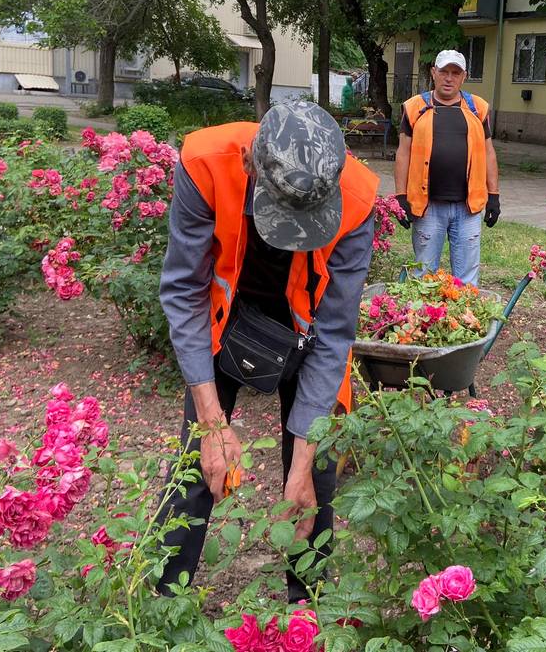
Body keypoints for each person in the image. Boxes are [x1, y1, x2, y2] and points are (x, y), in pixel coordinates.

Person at [155, 100, 378, 602]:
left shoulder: (357, 199)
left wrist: (300, 467)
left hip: (309, 327)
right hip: (222, 316)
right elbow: (184, 291)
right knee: (197, 460)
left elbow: (335, 333)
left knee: (314, 477)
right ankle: (164, 600)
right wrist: (213, 422)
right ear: (251, 164)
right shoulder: (205, 161)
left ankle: (307, 606)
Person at [393, 49, 500, 285]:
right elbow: (403, 153)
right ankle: (425, 321)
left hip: (468, 208)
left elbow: (489, 152)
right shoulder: (414, 107)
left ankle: (464, 320)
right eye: (444, 72)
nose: (449, 78)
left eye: (455, 73)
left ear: (464, 76)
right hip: (428, 207)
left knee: (466, 279)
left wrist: (494, 195)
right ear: (434, 73)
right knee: (424, 275)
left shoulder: (478, 108)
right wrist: (400, 197)